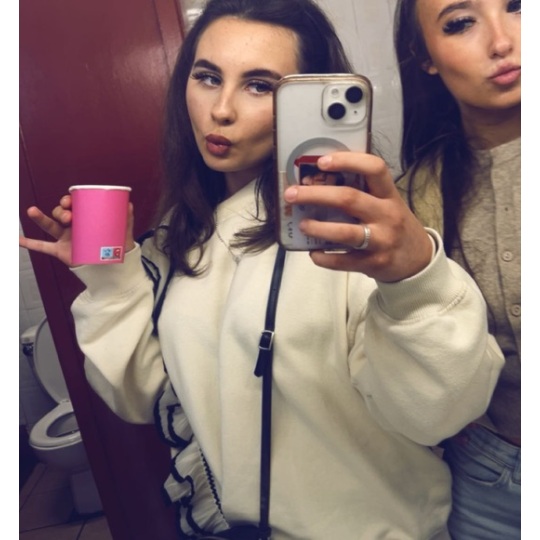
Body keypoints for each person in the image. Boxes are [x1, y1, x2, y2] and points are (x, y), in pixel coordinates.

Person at [19, 0, 504, 538]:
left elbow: (438, 414)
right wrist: (111, 278)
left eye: (259, 86)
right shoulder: (184, 234)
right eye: (208, 77)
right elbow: (142, 396)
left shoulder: (357, 238)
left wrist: (413, 282)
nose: (221, 110)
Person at [394, 0, 520, 538]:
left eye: (519, 7)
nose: (502, 41)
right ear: (425, 55)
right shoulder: (413, 198)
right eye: (461, 23)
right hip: (491, 479)